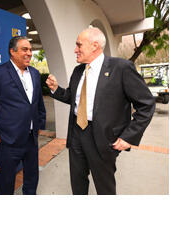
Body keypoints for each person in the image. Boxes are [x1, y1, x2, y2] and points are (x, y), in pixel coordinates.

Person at [46, 26, 155, 195]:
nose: (75, 50)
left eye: (79, 45)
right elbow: (73, 98)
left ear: (94, 46)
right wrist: (55, 89)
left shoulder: (121, 68)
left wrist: (129, 136)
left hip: (103, 139)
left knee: (105, 188)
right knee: (77, 182)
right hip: (76, 134)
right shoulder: (78, 70)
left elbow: (147, 104)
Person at [0, 36, 46, 195]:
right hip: (9, 140)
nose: (29, 53)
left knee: (32, 178)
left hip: (31, 139)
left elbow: (38, 103)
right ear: (12, 51)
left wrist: (40, 125)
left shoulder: (35, 74)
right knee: (6, 181)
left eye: (30, 49)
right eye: (25, 49)